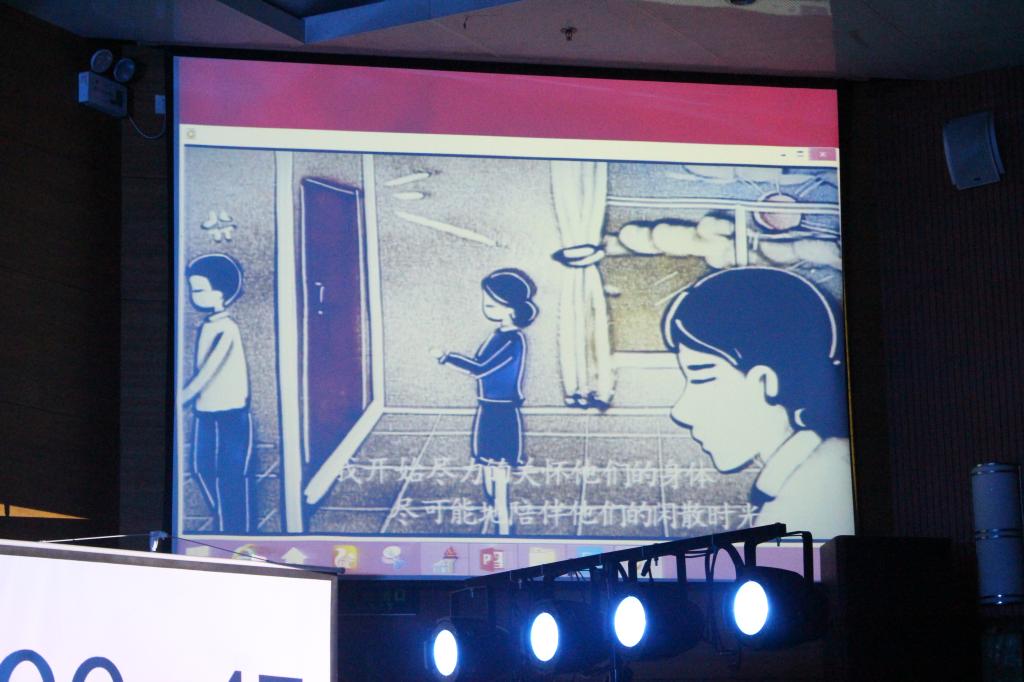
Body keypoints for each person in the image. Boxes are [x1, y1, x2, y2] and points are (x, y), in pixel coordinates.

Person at [661, 266, 854, 538]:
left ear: (766, 381)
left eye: (702, 378)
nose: (680, 412)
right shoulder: (812, 478)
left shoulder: (809, 500)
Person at [432, 268, 538, 536]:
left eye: (491, 304)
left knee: (498, 475)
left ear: (510, 308)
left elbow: (480, 368)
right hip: (488, 407)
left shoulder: (512, 339)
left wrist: (446, 357)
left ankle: (504, 528)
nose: (486, 308)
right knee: (488, 471)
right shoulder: (499, 334)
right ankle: (498, 521)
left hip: (503, 412)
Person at [181, 253, 252, 534]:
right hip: (205, 412)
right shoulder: (207, 326)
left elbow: (207, 372)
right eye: (192, 290)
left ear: (220, 294)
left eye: (200, 290)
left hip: (231, 412)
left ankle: (234, 530)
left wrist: (181, 399)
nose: (194, 296)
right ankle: (225, 521)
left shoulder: (227, 329)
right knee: (202, 468)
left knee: (230, 474)